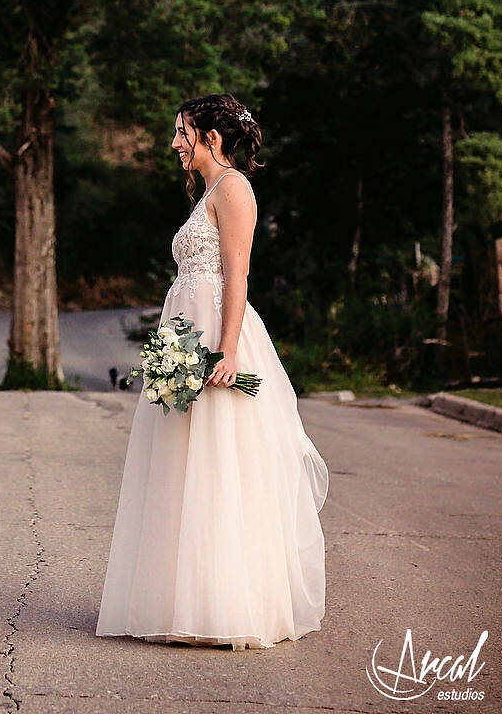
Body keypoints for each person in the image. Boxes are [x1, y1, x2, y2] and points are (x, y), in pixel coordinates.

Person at [96, 94, 328, 649]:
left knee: (220, 464)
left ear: (211, 137)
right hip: (186, 335)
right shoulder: (207, 191)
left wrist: (223, 351)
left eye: (183, 132)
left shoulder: (235, 189)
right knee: (181, 466)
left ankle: (226, 605)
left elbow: (237, 275)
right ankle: (180, 598)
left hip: (218, 340)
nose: (175, 143)